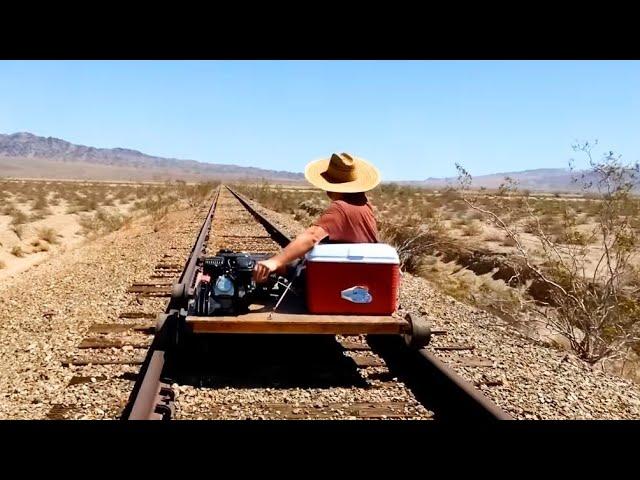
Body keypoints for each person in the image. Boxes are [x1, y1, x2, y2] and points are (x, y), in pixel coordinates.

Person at [253, 152, 381, 283]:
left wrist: (274, 262)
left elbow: (312, 237)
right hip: (363, 272)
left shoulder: (340, 208)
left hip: (343, 277)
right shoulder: (364, 204)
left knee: (280, 266)